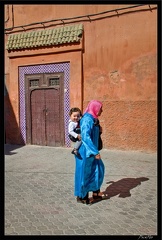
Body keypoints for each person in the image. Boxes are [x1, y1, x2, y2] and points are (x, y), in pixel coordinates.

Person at [74, 100, 108, 204]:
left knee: (97, 170)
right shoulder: (87, 119)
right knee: (85, 173)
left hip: (92, 151)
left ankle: (96, 193)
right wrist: (94, 152)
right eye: (100, 108)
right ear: (95, 108)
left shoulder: (93, 119)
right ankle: (83, 197)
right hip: (86, 152)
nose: (101, 110)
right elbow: (85, 136)